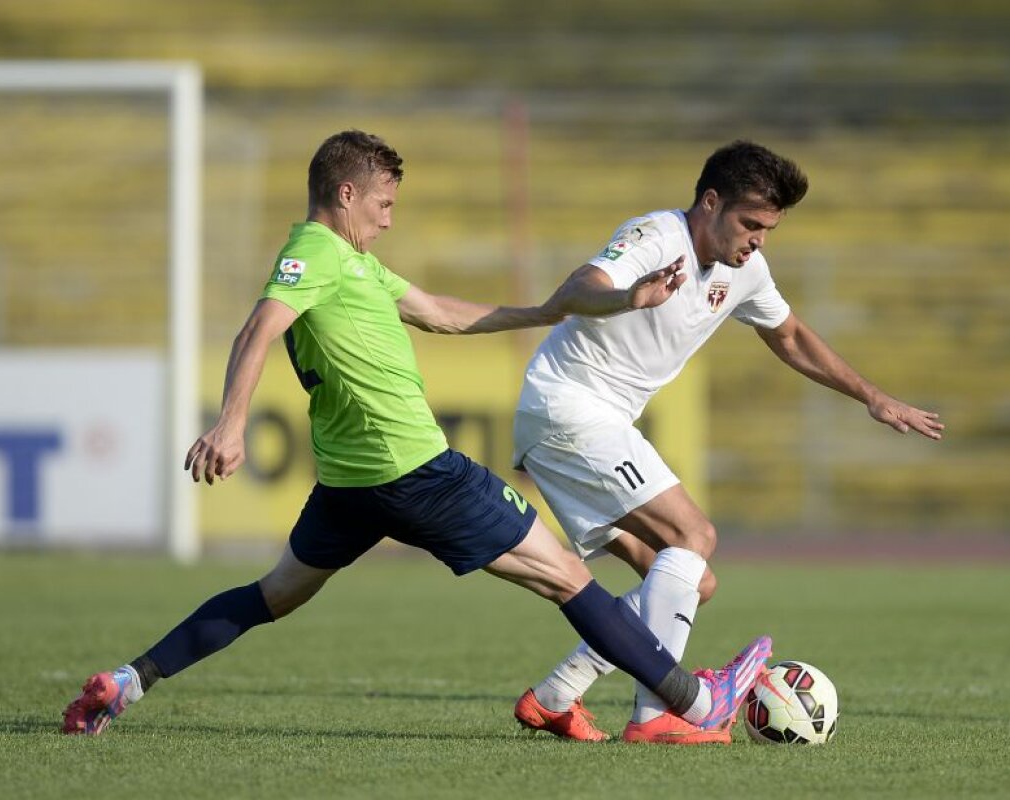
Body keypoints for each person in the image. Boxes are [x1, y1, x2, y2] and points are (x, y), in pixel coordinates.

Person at [60, 130, 773, 740]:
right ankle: (695, 704)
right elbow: (260, 325)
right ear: (345, 195)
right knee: (570, 580)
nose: (389, 220)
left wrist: (549, 310)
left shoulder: (358, 264)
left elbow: (439, 313)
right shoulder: (312, 254)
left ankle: (131, 680)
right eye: (383, 204)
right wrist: (231, 421)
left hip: (349, 487)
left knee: (272, 595)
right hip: (419, 474)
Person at [511, 140, 945, 744]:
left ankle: (557, 696)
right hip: (572, 408)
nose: (758, 239)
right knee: (694, 537)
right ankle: (658, 714)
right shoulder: (658, 237)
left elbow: (790, 336)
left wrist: (871, 395)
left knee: (692, 578)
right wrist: (627, 297)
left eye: (768, 228)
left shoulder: (746, 271)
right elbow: (582, 285)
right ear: (710, 203)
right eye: (749, 223)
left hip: (584, 422)